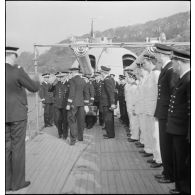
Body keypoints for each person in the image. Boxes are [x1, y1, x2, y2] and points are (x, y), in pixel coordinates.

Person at [6, 46, 40, 191]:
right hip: (17, 115)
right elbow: (33, 87)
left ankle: (5, 183)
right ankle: (17, 183)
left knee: (5, 149)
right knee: (17, 148)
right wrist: (37, 79)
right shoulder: (17, 70)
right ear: (12, 56)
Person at [153, 43, 178, 183]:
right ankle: (166, 171)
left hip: (167, 115)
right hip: (163, 114)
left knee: (167, 145)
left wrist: (169, 114)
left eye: (157, 54)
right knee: (164, 144)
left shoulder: (170, 70)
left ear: (161, 54)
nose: (156, 56)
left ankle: (170, 174)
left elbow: (173, 93)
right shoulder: (166, 69)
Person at [167, 49, 190, 194]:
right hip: (177, 128)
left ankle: (185, 189)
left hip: (183, 129)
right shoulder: (184, 78)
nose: (172, 65)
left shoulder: (189, 80)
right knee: (179, 160)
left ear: (180, 62)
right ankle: (180, 187)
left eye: (173, 62)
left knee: (183, 161)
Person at [142, 51, 162, 168]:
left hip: (155, 110)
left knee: (156, 135)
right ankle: (155, 156)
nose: (143, 64)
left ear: (150, 62)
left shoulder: (156, 74)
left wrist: (158, 110)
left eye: (144, 62)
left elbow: (160, 94)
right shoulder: (150, 75)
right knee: (152, 134)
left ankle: (159, 159)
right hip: (149, 110)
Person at [66, 68, 90, 145]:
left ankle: (73, 140)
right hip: (82, 104)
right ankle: (80, 137)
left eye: (71, 72)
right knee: (81, 120)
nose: (71, 74)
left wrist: (68, 104)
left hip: (74, 103)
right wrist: (86, 105)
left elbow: (72, 92)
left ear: (73, 72)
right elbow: (86, 93)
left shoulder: (72, 80)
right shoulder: (84, 80)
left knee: (72, 120)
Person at [48, 72, 70, 139]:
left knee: (65, 120)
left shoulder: (69, 84)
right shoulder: (57, 83)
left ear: (65, 77)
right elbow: (50, 90)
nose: (61, 78)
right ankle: (60, 133)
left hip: (65, 105)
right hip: (57, 105)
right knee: (58, 120)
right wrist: (52, 82)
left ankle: (65, 134)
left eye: (62, 77)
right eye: (60, 77)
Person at [100, 66, 116, 139]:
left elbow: (111, 92)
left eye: (101, 72)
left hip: (107, 103)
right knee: (109, 119)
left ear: (104, 72)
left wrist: (112, 103)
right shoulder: (109, 79)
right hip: (107, 102)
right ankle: (110, 133)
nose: (101, 73)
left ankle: (110, 135)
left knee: (108, 119)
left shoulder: (107, 80)